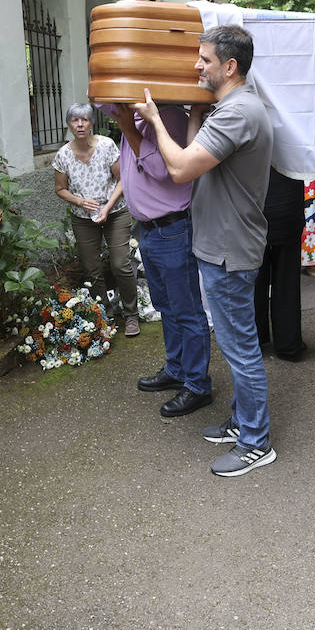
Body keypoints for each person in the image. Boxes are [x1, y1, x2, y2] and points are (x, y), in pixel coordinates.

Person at [135, 24, 276, 476]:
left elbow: (179, 169)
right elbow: (197, 154)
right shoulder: (229, 108)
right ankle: (241, 423)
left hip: (229, 250)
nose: (196, 65)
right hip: (222, 245)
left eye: (205, 60)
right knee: (238, 343)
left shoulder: (239, 112)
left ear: (229, 66)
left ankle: (256, 442)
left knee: (241, 349)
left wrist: (156, 119)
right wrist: (194, 111)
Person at [103, 102, 214, 418]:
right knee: (166, 307)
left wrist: (127, 127)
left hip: (173, 229)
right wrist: (126, 120)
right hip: (150, 230)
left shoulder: (167, 115)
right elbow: (96, 95)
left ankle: (197, 385)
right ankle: (177, 368)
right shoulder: (134, 116)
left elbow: (167, 171)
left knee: (187, 311)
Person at [52, 103, 141, 337]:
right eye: (74, 120)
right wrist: (80, 202)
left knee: (120, 264)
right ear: (69, 124)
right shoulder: (63, 155)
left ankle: (131, 314)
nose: (80, 124)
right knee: (91, 270)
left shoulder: (107, 145)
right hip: (83, 218)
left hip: (116, 212)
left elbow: (123, 180)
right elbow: (60, 189)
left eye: (84, 120)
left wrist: (107, 207)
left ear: (92, 123)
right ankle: (105, 313)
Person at [256, 169, 307, 361]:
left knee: (254, 281)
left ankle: (256, 338)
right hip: (288, 205)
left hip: (255, 207)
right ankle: (289, 343)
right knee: (287, 281)